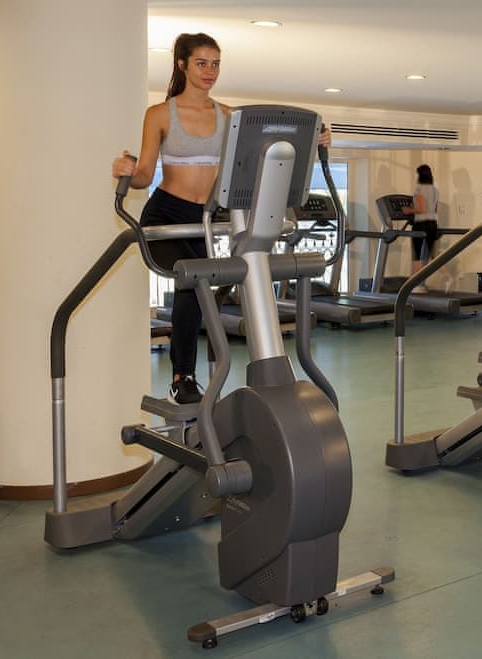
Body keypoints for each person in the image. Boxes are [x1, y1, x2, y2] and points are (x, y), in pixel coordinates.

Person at [112, 33, 330, 404]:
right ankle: (182, 378)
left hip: (207, 219)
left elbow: (265, 157)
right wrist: (128, 171)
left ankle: (216, 375)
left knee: (206, 295)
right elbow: (146, 175)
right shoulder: (161, 114)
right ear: (182, 65)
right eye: (201, 63)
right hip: (166, 215)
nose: (210, 71)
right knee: (191, 285)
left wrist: (315, 144)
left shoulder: (230, 116)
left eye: (215, 63)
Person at [402, 164, 439, 289]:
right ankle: (423, 282)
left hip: (421, 224)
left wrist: (408, 210)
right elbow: (436, 209)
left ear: (420, 175)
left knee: (417, 255)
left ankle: (416, 285)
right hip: (433, 224)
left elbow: (421, 209)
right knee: (428, 255)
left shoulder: (419, 189)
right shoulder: (435, 190)